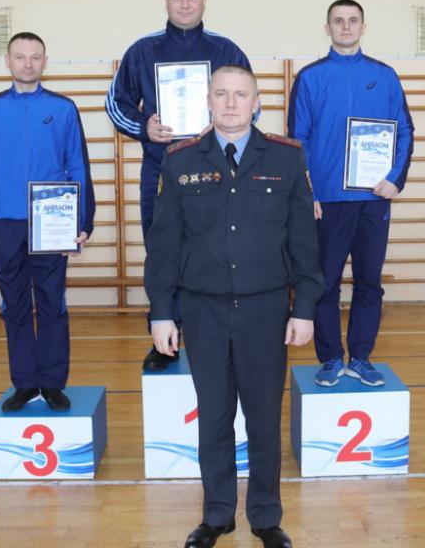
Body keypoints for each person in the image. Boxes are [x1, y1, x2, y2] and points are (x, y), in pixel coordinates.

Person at [145, 66, 323, 548]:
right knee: (215, 417)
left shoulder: (287, 158)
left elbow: (305, 243)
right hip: (202, 312)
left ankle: (265, 517)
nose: (230, 103)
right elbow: (164, 245)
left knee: (263, 419)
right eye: (221, 94)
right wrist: (161, 311)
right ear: (207, 100)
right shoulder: (180, 161)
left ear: (256, 102)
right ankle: (217, 514)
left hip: (266, 311)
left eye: (240, 94)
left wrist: (305, 307)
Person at [106, 0, 255, 372]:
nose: (185, 4)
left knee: (220, 249)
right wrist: (145, 127)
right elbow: (116, 103)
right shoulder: (142, 50)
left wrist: (222, 129)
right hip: (162, 169)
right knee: (163, 251)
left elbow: (251, 105)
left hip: (218, 172)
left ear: (204, 1)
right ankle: (164, 337)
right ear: (166, 1)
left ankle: (220, 333)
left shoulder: (226, 50)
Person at [287, 0, 414, 388]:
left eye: (353, 20)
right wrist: (308, 192)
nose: (346, 26)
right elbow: (297, 140)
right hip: (327, 201)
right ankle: (329, 358)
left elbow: (404, 131)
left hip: (373, 199)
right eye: (338, 21)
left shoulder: (385, 76)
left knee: (369, 282)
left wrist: (395, 178)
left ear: (363, 27)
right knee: (325, 282)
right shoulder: (310, 77)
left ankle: (360, 357)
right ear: (327, 28)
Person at [0, 32, 95, 412]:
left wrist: (83, 221)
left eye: (35, 57)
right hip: (3, 224)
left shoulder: (64, 109)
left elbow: (78, 165)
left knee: (53, 304)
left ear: (45, 62)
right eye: (20, 56)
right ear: (7, 62)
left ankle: (53, 383)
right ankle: (24, 384)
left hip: (51, 220)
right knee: (15, 306)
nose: (28, 63)